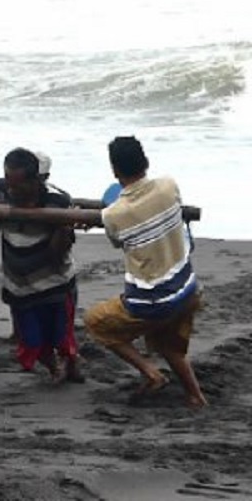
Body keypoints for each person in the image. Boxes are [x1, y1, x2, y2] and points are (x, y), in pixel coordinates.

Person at [84, 136, 207, 409]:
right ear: (146, 162)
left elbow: (117, 240)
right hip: (187, 288)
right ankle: (195, 396)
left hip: (150, 301)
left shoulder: (113, 214)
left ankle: (150, 372)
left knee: (95, 322)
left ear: (115, 171)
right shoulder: (168, 185)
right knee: (168, 345)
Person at [0, 147, 84, 384]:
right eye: (9, 182)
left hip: (55, 282)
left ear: (36, 180)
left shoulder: (57, 201)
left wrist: (63, 226)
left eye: (19, 185)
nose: (13, 190)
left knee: (61, 337)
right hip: (19, 284)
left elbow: (58, 254)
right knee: (32, 341)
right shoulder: (0, 190)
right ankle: (55, 368)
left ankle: (72, 362)